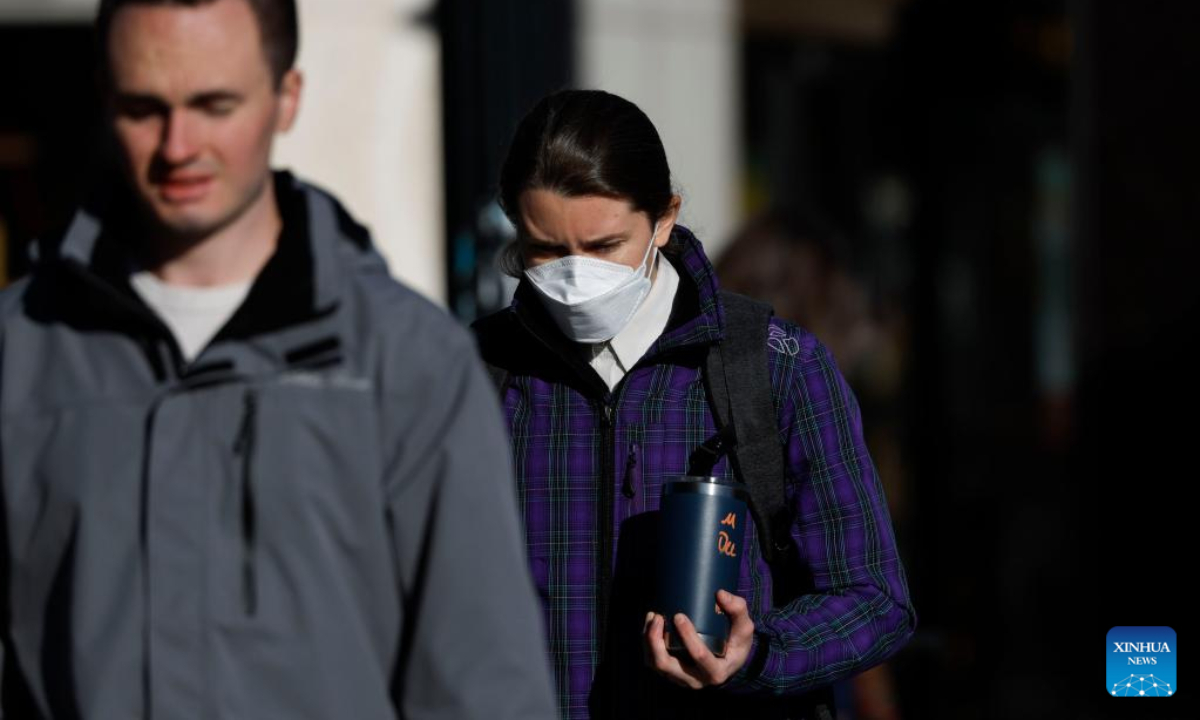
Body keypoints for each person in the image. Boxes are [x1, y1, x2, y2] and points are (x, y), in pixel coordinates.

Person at [0, 1, 557, 718]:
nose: (178, 145)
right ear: (105, 98)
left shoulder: (410, 364)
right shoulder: (21, 351)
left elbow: (486, 690)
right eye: (145, 108)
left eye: (214, 105)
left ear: (285, 98)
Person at [472, 89, 916, 719]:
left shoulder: (776, 368)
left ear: (664, 219)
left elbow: (876, 599)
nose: (575, 277)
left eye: (604, 247)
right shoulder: (472, 376)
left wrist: (759, 654)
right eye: (545, 249)